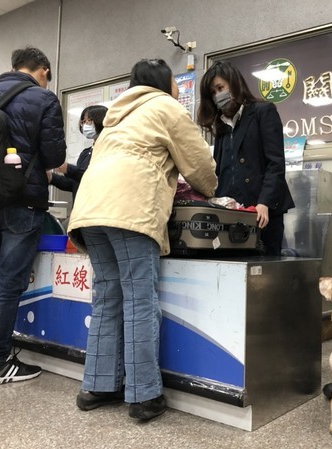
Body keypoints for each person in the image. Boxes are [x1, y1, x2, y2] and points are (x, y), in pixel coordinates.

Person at [67, 59, 217, 421]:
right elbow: (199, 167)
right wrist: (211, 189)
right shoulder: (166, 107)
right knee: (139, 300)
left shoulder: (114, 118)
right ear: (166, 83)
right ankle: (144, 395)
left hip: (90, 212)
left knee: (107, 298)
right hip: (130, 210)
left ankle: (98, 386)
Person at [0, 47, 66, 385]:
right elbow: (54, 156)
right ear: (44, 70)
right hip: (22, 200)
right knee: (7, 284)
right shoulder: (43, 99)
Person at [197, 60, 294, 256]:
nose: (218, 96)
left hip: (262, 213)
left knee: (263, 276)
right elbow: (221, 172)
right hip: (231, 216)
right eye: (213, 93)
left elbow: (275, 164)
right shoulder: (221, 126)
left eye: (220, 88)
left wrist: (264, 202)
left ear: (234, 83)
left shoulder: (263, 111)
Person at [49, 105, 108, 201]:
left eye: (89, 120)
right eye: (83, 122)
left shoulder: (109, 149)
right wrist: (52, 178)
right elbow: (74, 184)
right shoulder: (85, 153)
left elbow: (96, 179)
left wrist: (69, 169)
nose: (85, 125)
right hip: (81, 210)